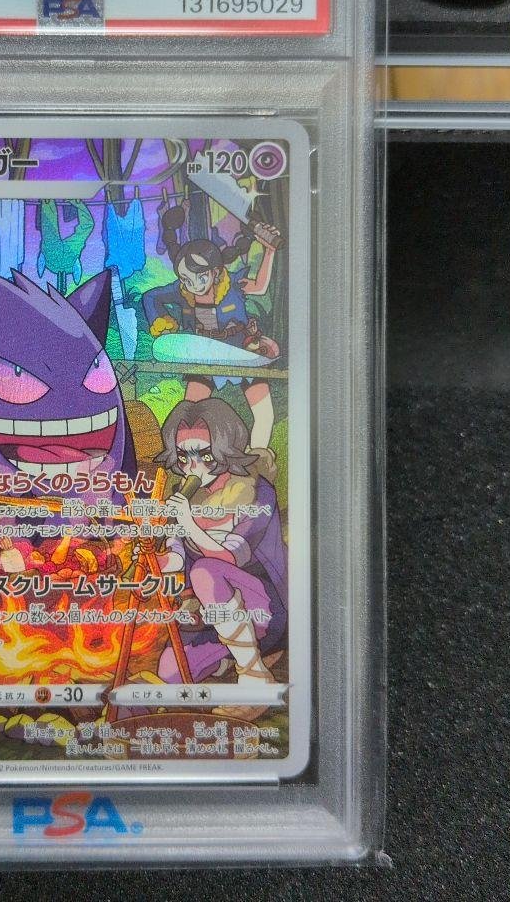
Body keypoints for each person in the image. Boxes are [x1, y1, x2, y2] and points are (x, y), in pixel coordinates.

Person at [152, 398, 287, 687]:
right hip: (210, 617)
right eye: (184, 457)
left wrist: (188, 522)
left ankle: (254, 672)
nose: (193, 467)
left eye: (205, 455)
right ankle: (228, 659)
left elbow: (229, 558)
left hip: (262, 608)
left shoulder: (257, 491)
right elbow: (177, 557)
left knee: (206, 570)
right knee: (170, 671)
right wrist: (151, 558)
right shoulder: (184, 496)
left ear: (226, 448)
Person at [141, 202, 282, 448]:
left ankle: (258, 462)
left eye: (200, 277)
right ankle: (186, 459)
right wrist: (161, 321)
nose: (193, 285)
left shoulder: (232, 285)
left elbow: (259, 287)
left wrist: (269, 252)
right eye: (186, 278)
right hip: (204, 355)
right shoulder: (182, 290)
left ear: (216, 273)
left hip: (240, 351)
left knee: (264, 415)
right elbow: (151, 297)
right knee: (188, 414)